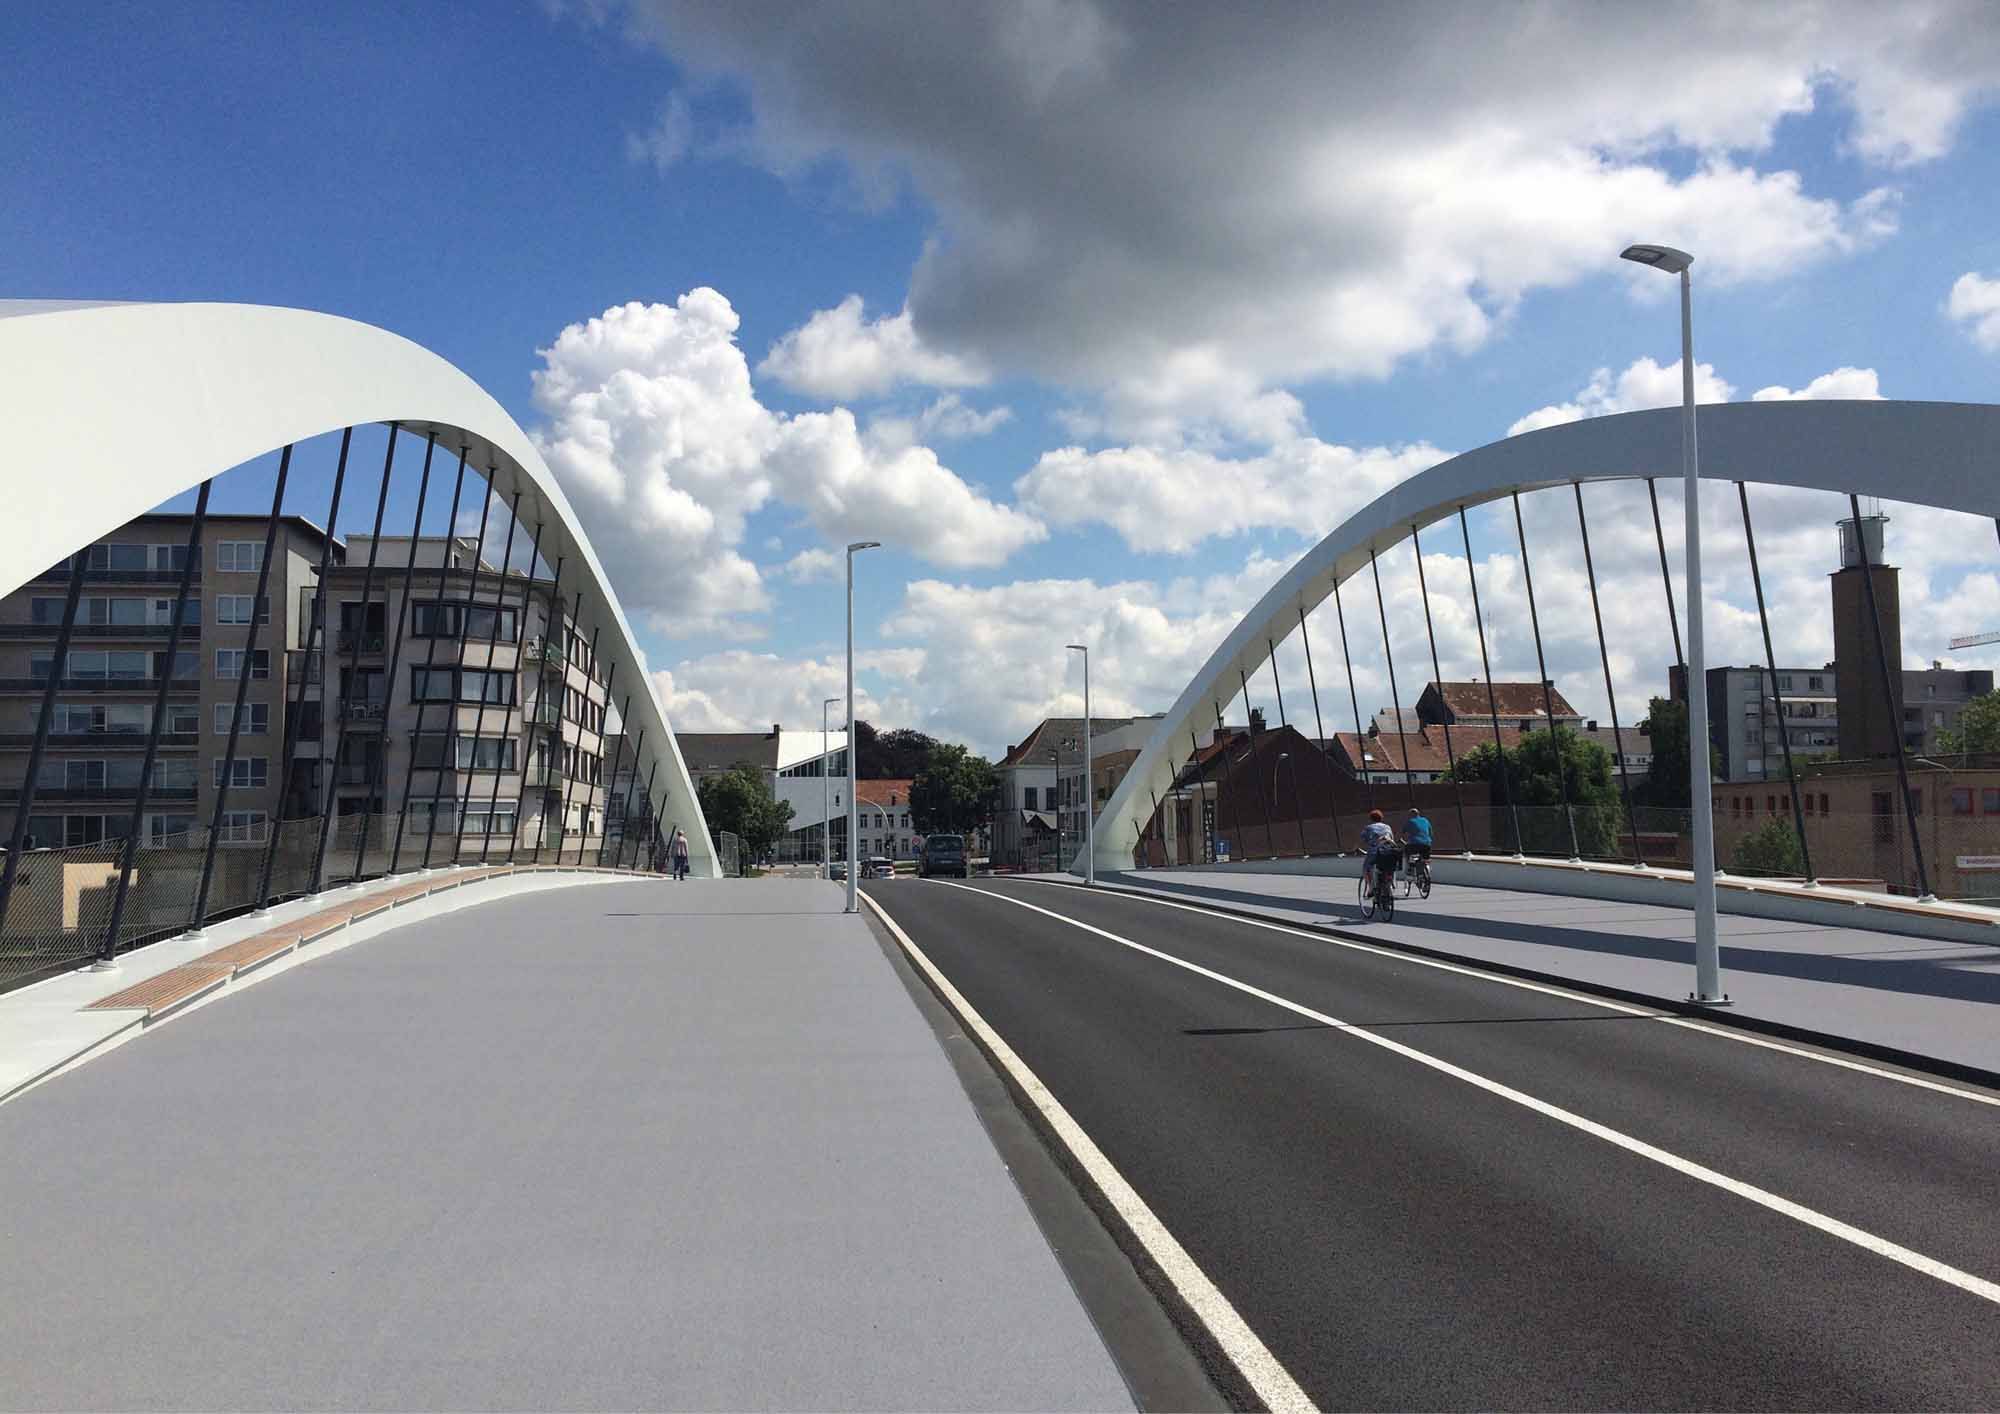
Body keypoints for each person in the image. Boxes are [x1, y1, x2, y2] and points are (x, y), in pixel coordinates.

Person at [1359, 808, 1396, 898]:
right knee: (1389, 867)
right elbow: (1392, 838)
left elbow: (1363, 839)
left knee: (1366, 869)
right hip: (1388, 852)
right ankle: (1391, 883)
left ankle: (1371, 888)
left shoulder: (1368, 828)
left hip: (1374, 853)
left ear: (1371, 818)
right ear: (1381, 818)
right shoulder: (1387, 827)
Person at [1402, 808, 1433, 872]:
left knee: (1407, 850)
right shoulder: (1425, 820)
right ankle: (1427, 867)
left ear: (1411, 815)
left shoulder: (1410, 821)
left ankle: (1410, 867)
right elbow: (1431, 833)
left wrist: (1401, 839)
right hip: (1427, 844)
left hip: (1414, 844)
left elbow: (1403, 832)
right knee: (1426, 859)